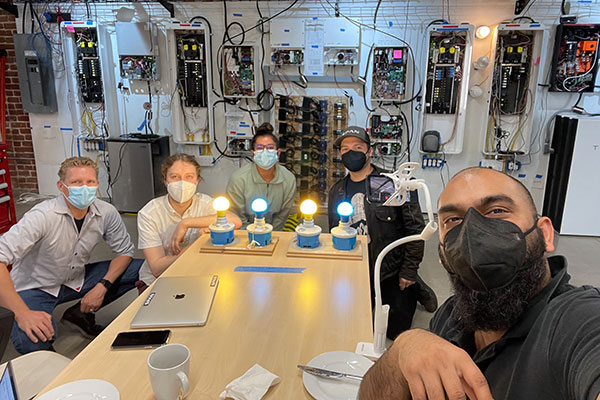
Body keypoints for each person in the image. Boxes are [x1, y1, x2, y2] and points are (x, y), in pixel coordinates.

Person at [359, 167, 600, 400]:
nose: (472, 232)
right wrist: (404, 347)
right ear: (442, 254)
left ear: (545, 234)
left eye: (497, 211)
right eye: (453, 219)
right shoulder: (451, 315)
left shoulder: (578, 321)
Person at [0, 157, 142, 354]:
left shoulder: (106, 212)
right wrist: (22, 313)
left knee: (141, 269)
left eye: (90, 182)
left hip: (75, 279)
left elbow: (124, 252)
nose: (84, 188)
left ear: (97, 184)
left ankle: (78, 315)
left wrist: (103, 286)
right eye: (76, 182)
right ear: (61, 186)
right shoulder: (43, 215)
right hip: (35, 287)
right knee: (34, 338)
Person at [328, 126, 438, 339]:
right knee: (346, 323)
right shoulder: (337, 191)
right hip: (356, 268)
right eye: (345, 149)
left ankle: (415, 287)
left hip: (390, 269)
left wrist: (409, 270)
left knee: (394, 332)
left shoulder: (393, 185)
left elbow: (415, 229)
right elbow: (334, 232)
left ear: (369, 152)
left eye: (358, 147)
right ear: (340, 154)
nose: (351, 153)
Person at [137, 153, 242, 286]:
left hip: (195, 274)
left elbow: (235, 221)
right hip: (158, 280)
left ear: (197, 180)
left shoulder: (204, 203)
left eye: (189, 177)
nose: (182, 183)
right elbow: (157, 268)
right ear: (165, 180)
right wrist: (196, 246)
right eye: (175, 177)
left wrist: (186, 223)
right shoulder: (149, 213)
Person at [226, 123, 296, 231]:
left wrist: (270, 235)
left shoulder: (288, 179)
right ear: (253, 154)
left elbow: (282, 216)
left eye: (270, 147)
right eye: (260, 148)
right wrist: (252, 236)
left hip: (275, 234)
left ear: (278, 153)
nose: (265, 152)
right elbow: (237, 215)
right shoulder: (239, 179)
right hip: (245, 234)